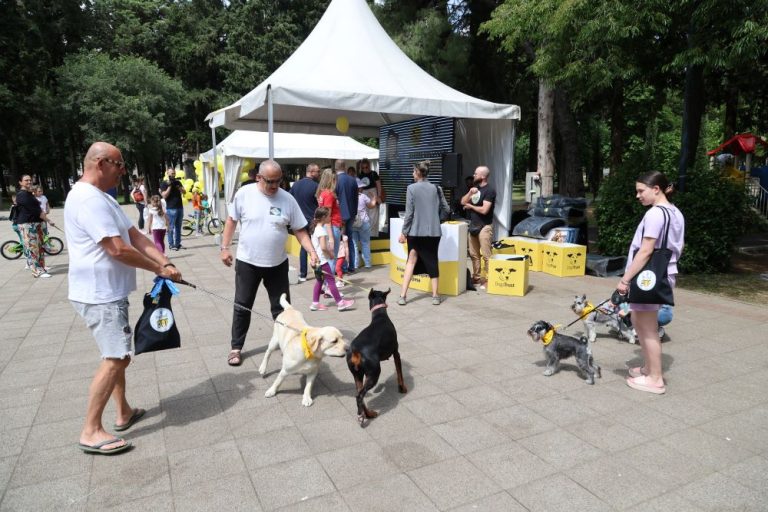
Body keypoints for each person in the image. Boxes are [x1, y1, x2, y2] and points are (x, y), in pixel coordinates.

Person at [65, 141, 181, 455]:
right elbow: (117, 249)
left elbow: (135, 237)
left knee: (117, 354)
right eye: (119, 164)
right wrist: (160, 269)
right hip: (100, 294)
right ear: (100, 163)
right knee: (116, 357)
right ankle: (90, 430)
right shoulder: (88, 199)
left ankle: (123, 411)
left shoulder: (104, 197)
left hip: (108, 292)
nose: (123, 170)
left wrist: (164, 262)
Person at [220, 160, 319, 367]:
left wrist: (311, 251)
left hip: (277, 264)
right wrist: (225, 247)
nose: (274, 186)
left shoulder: (287, 199)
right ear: (258, 178)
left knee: (282, 310)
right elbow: (231, 220)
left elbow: (300, 229)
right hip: (248, 262)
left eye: (278, 181)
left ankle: (287, 347)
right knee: (242, 305)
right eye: (270, 182)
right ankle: (236, 347)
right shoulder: (244, 194)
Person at [616, 171, 684, 395]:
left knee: (647, 327)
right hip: (661, 274)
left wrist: (625, 280)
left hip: (648, 276)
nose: (638, 195)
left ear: (656, 189)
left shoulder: (655, 214)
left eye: (641, 191)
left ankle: (655, 379)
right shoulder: (675, 213)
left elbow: (646, 250)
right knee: (638, 319)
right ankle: (648, 368)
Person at [397, 161, 449, 306]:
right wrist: (437, 221)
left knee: (411, 261)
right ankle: (435, 296)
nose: (412, 174)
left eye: (413, 172)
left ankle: (403, 295)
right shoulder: (436, 188)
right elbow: (446, 208)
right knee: (433, 261)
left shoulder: (411, 188)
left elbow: (409, 214)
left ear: (418, 173)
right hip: (434, 232)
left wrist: (403, 233)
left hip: (415, 232)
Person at [309, 207, 354, 311]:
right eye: (329, 216)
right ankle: (340, 303)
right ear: (324, 217)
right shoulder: (321, 230)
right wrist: (331, 254)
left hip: (317, 261)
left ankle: (315, 304)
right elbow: (324, 247)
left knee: (319, 281)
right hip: (322, 262)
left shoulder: (315, 228)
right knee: (331, 281)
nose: (331, 217)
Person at [461, 166, 496, 288]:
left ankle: (489, 279)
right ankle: (476, 278)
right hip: (474, 226)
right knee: (474, 254)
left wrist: (471, 207)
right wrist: (470, 192)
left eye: (476, 174)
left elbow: (485, 210)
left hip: (485, 226)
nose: (473, 175)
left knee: (486, 255)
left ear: (483, 176)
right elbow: (462, 202)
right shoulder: (475, 189)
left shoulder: (490, 191)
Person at [15, 174, 55, 278]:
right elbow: (37, 211)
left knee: (39, 247)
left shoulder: (29, 193)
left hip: (36, 223)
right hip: (27, 225)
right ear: (20, 182)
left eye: (30, 180)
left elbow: (39, 208)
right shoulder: (22, 195)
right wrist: (49, 221)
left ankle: (41, 267)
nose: (29, 182)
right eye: (26, 180)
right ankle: (37, 271)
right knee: (33, 249)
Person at [289, 163, 320, 281]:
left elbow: (290, 199)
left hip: (300, 220)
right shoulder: (316, 186)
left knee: (304, 247)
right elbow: (319, 204)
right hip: (313, 220)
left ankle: (303, 274)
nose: (319, 174)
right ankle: (318, 273)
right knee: (316, 246)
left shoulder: (296, 185)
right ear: (311, 172)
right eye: (317, 171)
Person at [316, 168, 342, 277]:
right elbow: (327, 218)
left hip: (330, 227)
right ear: (331, 180)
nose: (336, 182)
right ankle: (328, 285)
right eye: (335, 179)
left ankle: (325, 284)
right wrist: (331, 237)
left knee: (327, 257)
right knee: (331, 258)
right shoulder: (329, 194)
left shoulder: (322, 193)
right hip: (332, 227)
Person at [335, 159, 359, 273]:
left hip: (340, 215)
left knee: (340, 242)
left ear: (336, 168)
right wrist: (354, 213)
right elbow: (356, 198)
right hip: (351, 214)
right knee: (349, 240)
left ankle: (342, 266)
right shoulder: (352, 180)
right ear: (344, 167)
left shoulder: (335, 180)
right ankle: (351, 266)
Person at [351, 178, 377, 268]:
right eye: (361, 187)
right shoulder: (363, 196)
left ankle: (355, 264)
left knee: (354, 245)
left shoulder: (348, 197)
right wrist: (374, 198)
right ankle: (367, 263)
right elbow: (371, 206)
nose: (362, 189)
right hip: (363, 222)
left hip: (352, 223)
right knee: (365, 243)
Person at [357, 158, 386, 237]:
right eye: (363, 168)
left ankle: (373, 235)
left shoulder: (374, 174)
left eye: (366, 167)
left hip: (373, 194)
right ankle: (366, 234)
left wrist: (379, 196)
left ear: (369, 166)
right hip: (364, 195)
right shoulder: (360, 175)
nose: (365, 169)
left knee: (374, 216)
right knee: (364, 215)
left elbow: (378, 185)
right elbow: (359, 188)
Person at [160, 168, 185, 251]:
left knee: (178, 227)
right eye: (171, 174)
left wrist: (180, 188)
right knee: (170, 227)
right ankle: (171, 244)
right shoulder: (164, 183)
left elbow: (184, 192)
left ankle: (177, 244)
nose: (173, 175)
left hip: (180, 207)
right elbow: (164, 195)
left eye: (174, 173)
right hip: (171, 208)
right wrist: (170, 186)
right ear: (167, 173)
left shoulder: (178, 182)